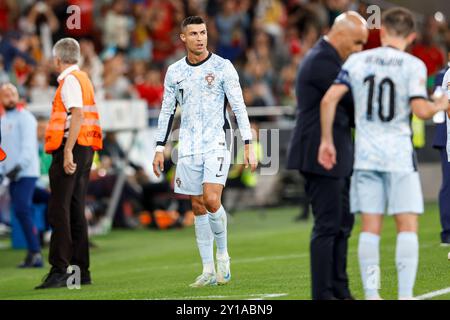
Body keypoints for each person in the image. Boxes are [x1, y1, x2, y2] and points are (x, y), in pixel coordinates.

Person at [318, 7, 449, 300]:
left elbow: (329, 100)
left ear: (384, 31)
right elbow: (420, 109)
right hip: (399, 157)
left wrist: (326, 140)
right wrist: (439, 104)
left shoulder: (357, 61)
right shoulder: (413, 65)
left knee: (370, 228)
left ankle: (372, 294)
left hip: (366, 157)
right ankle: (404, 295)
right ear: (412, 36)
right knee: (407, 226)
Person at [152, 16, 257, 288]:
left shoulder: (223, 67)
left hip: (216, 143)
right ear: (183, 38)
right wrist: (159, 148)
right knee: (197, 206)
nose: (200, 38)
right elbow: (166, 111)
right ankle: (207, 270)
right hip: (187, 146)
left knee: (211, 199)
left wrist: (247, 143)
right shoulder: (175, 72)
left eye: (203, 32)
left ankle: (223, 256)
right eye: (194, 34)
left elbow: (239, 106)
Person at [286, 11, 368, 300]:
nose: (359, 50)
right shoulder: (322, 61)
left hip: (336, 152)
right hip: (321, 154)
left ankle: (339, 289)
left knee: (342, 224)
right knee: (328, 226)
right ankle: (323, 294)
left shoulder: (329, 58)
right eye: (357, 42)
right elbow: (352, 101)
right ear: (341, 34)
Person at [35, 38, 103, 289]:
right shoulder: (83, 79)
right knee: (74, 209)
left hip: (71, 146)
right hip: (85, 147)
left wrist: (67, 152)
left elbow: (77, 115)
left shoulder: (69, 81)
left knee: (59, 209)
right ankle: (79, 270)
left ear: (57, 59)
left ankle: (60, 269)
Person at [0, 83, 42, 268]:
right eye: (5, 94)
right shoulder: (3, 120)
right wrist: (3, 169)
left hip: (26, 172)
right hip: (12, 174)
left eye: (12, 93)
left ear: (18, 96)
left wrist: (18, 167)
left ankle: (35, 253)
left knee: (22, 209)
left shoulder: (26, 118)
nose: (9, 97)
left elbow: (28, 147)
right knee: (23, 208)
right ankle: (34, 252)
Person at [432, 45, 450, 246]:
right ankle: (447, 232)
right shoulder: (442, 76)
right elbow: (439, 102)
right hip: (446, 136)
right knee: (448, 184)